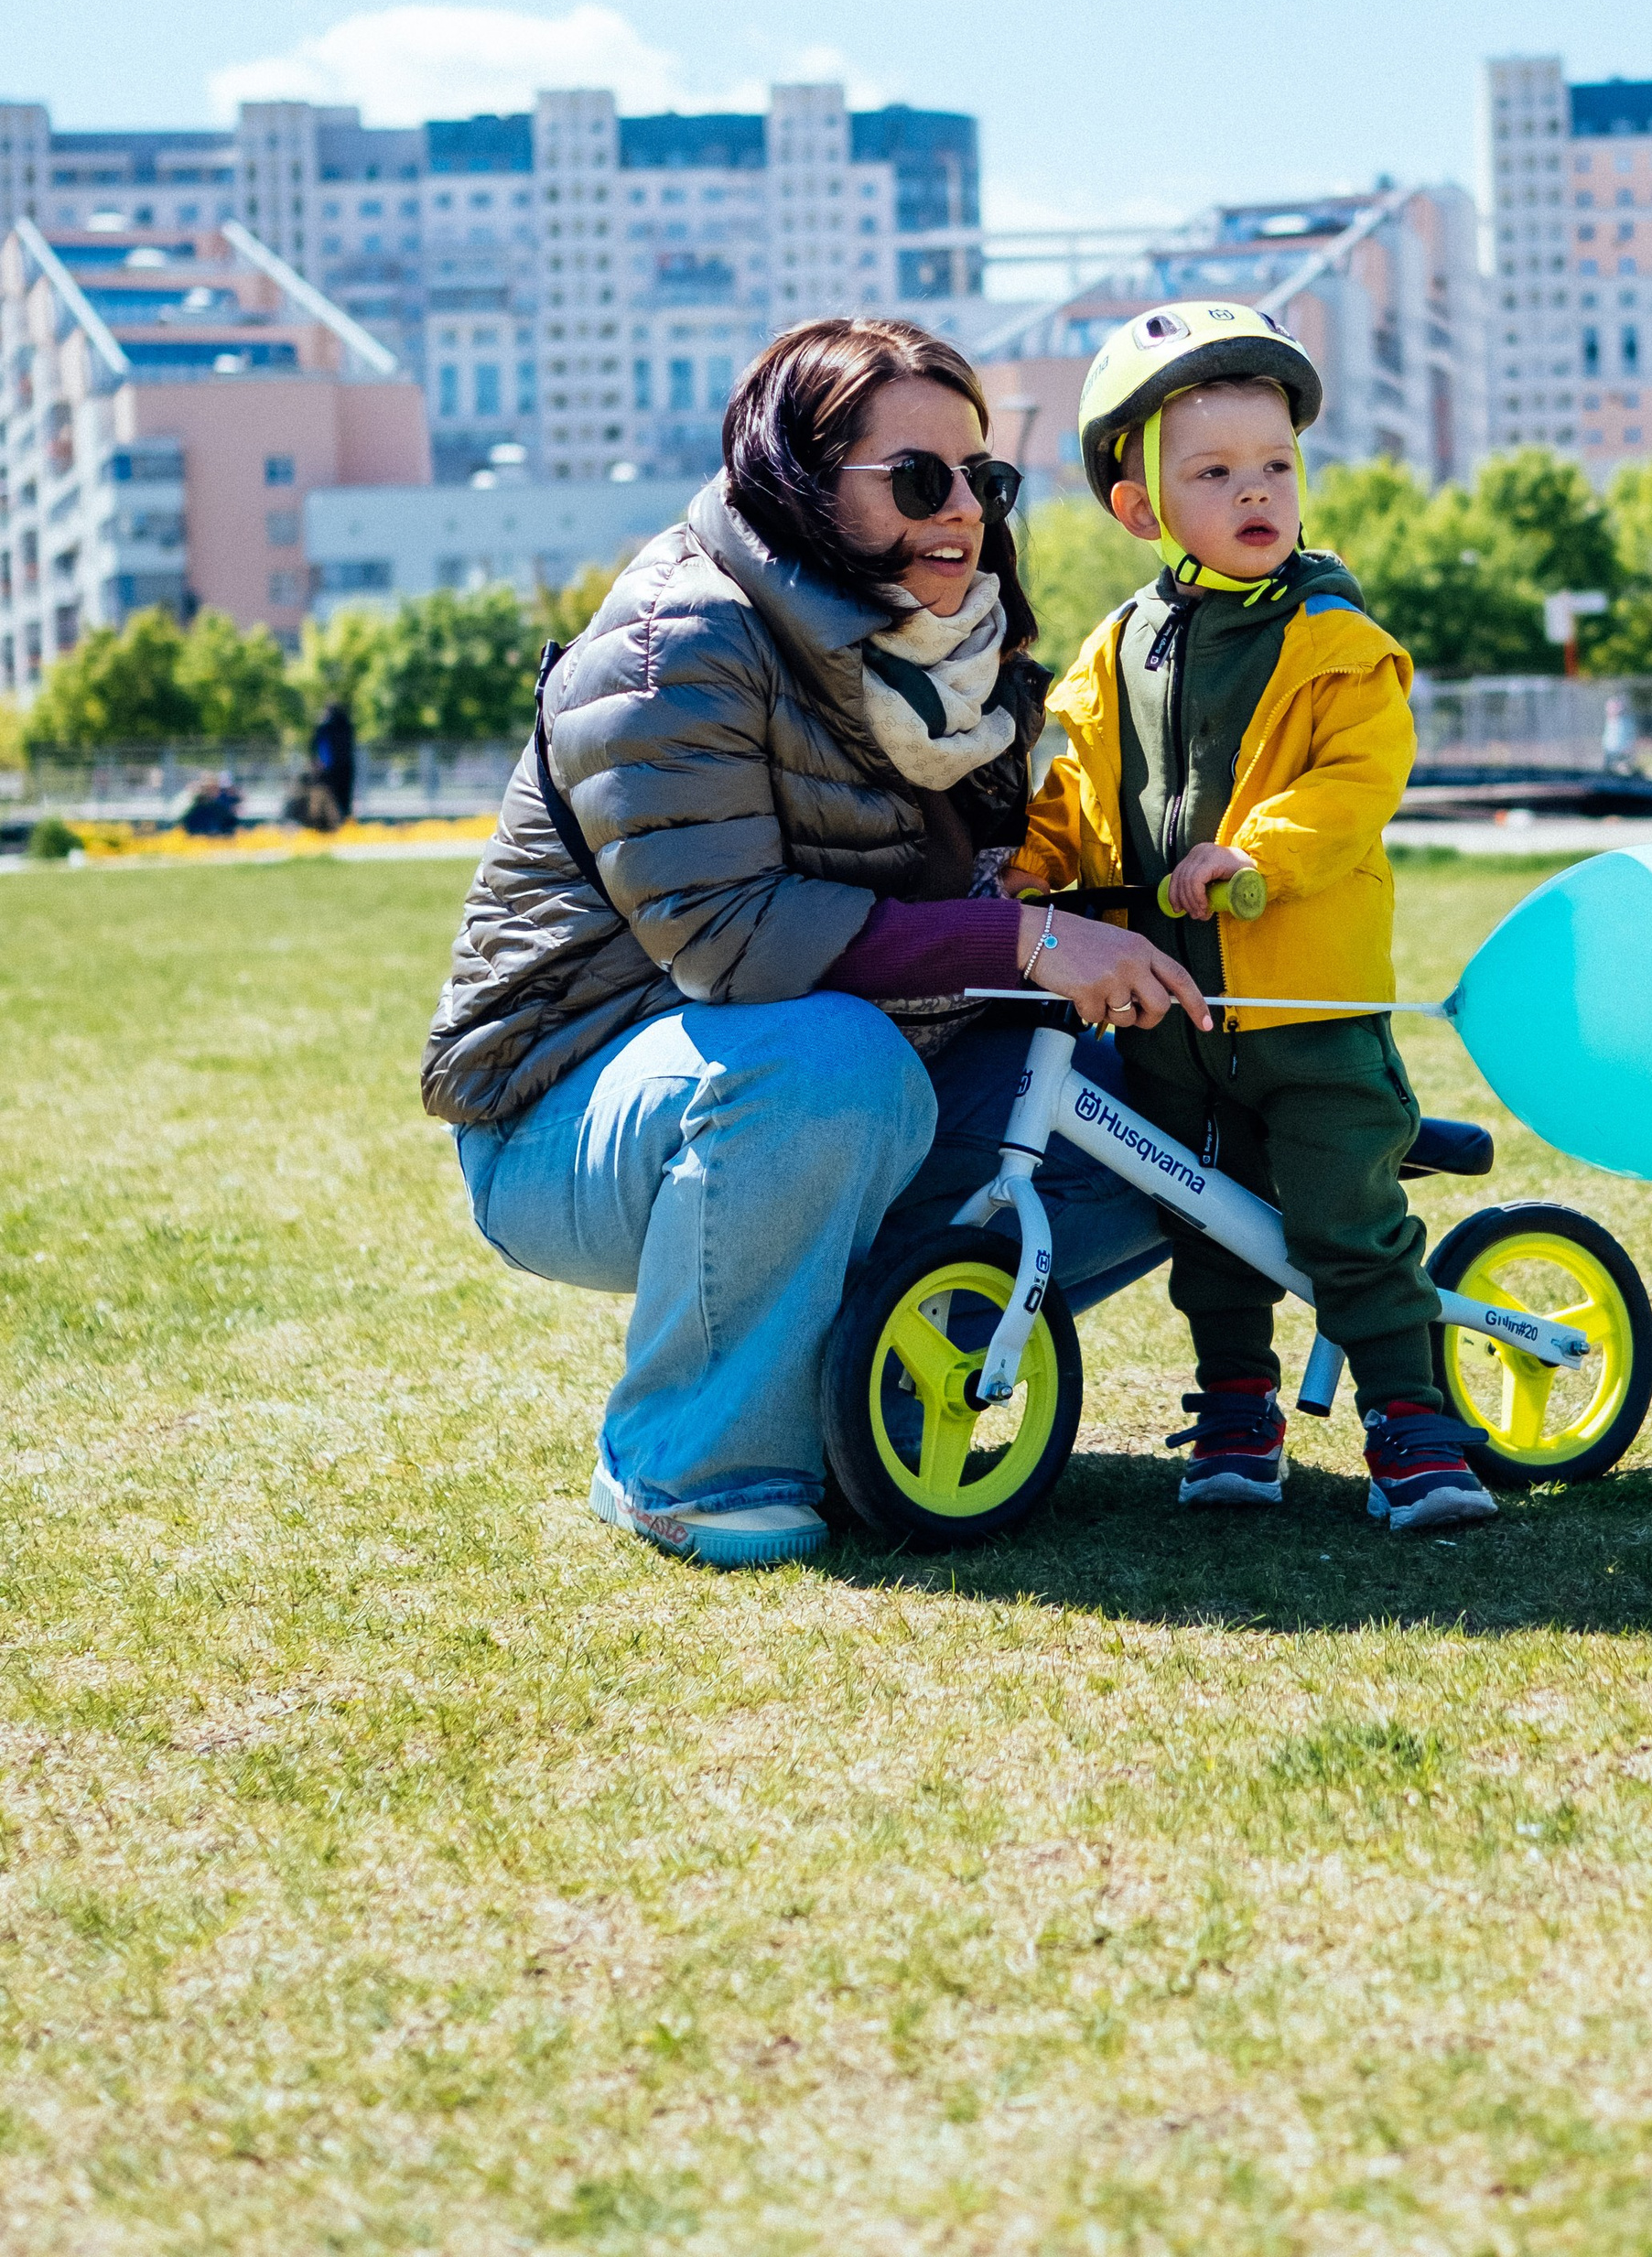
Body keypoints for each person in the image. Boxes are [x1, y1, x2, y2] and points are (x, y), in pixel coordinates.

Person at [420, 317, 1206, 1571]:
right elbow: (731, 942)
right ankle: (689, 1465)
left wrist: (1174, 898)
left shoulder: (960, 648)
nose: (963, 509)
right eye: (917, 478)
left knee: (1175, 1108)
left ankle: (860, 1404)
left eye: (981, 478)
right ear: (797, 479)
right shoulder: (676, 641)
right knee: (829, 1064)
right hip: (573, 1112)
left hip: (854, 1073)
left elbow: (1007, 882)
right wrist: (1023, 938)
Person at [1010, 302, 1496, 1538]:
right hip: (1172, 1016)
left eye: (1276, 464)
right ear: (1142, 510)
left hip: (1306, 1003)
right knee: (1205, 1220)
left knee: (1346, 1217)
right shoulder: (1117, 651)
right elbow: (1081, 797)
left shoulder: (1337, 639)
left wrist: (1253, 859)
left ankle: (1412, 1417)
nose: (1256, 491)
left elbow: (1353, 786)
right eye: (1214, 472)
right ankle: (1235, 1403)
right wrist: (1029, 869)